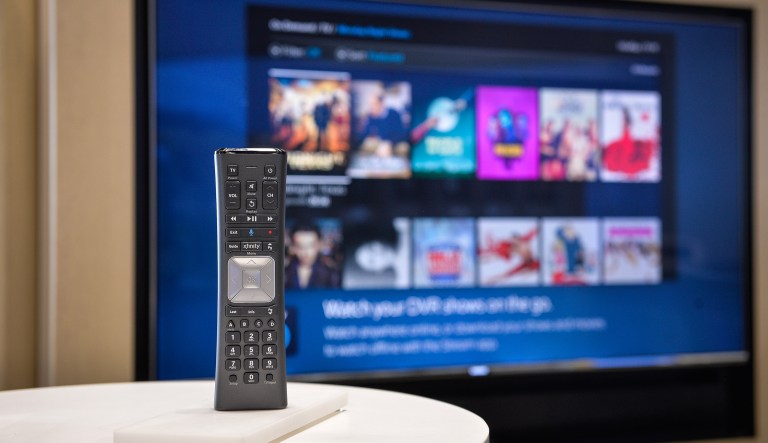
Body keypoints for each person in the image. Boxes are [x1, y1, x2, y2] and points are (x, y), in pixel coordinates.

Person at [285, 224, 340, 289]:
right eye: (300, 246)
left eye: (310, 246)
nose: (305, 252)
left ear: (319, 245)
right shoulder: (282, 274)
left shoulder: (331, 275)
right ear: (293, 247)